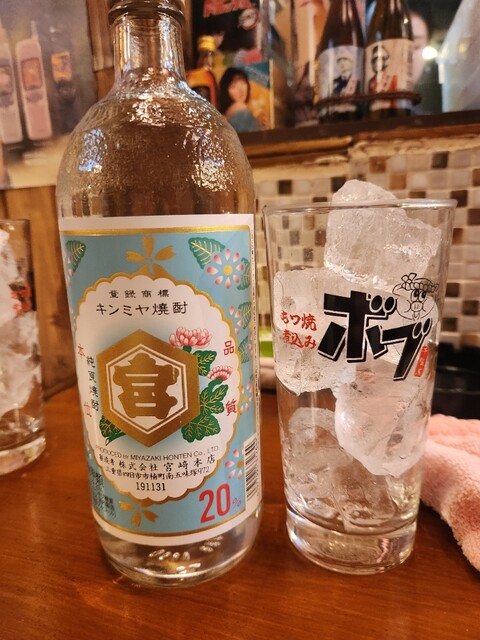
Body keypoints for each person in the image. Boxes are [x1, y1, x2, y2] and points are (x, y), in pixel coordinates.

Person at [218, 67, 264, 133]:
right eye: (233, 86)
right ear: (226, 92)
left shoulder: (224, 115)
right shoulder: (239, 107)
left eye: (243, 83)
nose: (241, 90)